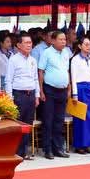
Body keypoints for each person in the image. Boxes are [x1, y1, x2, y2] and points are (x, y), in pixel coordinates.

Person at [37, 30, 71, 159]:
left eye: (64, 39)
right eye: (60, 39)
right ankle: (48, 149)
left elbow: (67, 71)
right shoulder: (46, 53)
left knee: (59, 120)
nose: (63, 42)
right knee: (48, 120)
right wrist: (41, 91)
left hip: (62, 90)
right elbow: (41, 72)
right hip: (49, 90)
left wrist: (69, 88)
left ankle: (58, 148)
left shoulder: (66, 52)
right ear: (53, 40)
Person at [6, 33, 41, 158]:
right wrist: (10, 97)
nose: (29, 45)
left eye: (30, 42)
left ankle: (24, 152)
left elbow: (35, 79)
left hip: (30, 94)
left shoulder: (33, 60)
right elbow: (8, 80)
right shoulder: (14, 59)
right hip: (18, 95)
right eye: (26, 43)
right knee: (18, 124)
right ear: (19, 45)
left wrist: (37, 96)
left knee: (27, 124)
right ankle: (16, 152)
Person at [69, 37, 90, 154]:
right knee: (80, 117)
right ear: (80, 46)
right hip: (80, 89)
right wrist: (75, 94)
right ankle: (79, 145)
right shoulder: (75, 59)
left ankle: (87, 144)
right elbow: (73, 78)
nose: (88, 46)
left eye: (89, 44)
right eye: (86, 44)